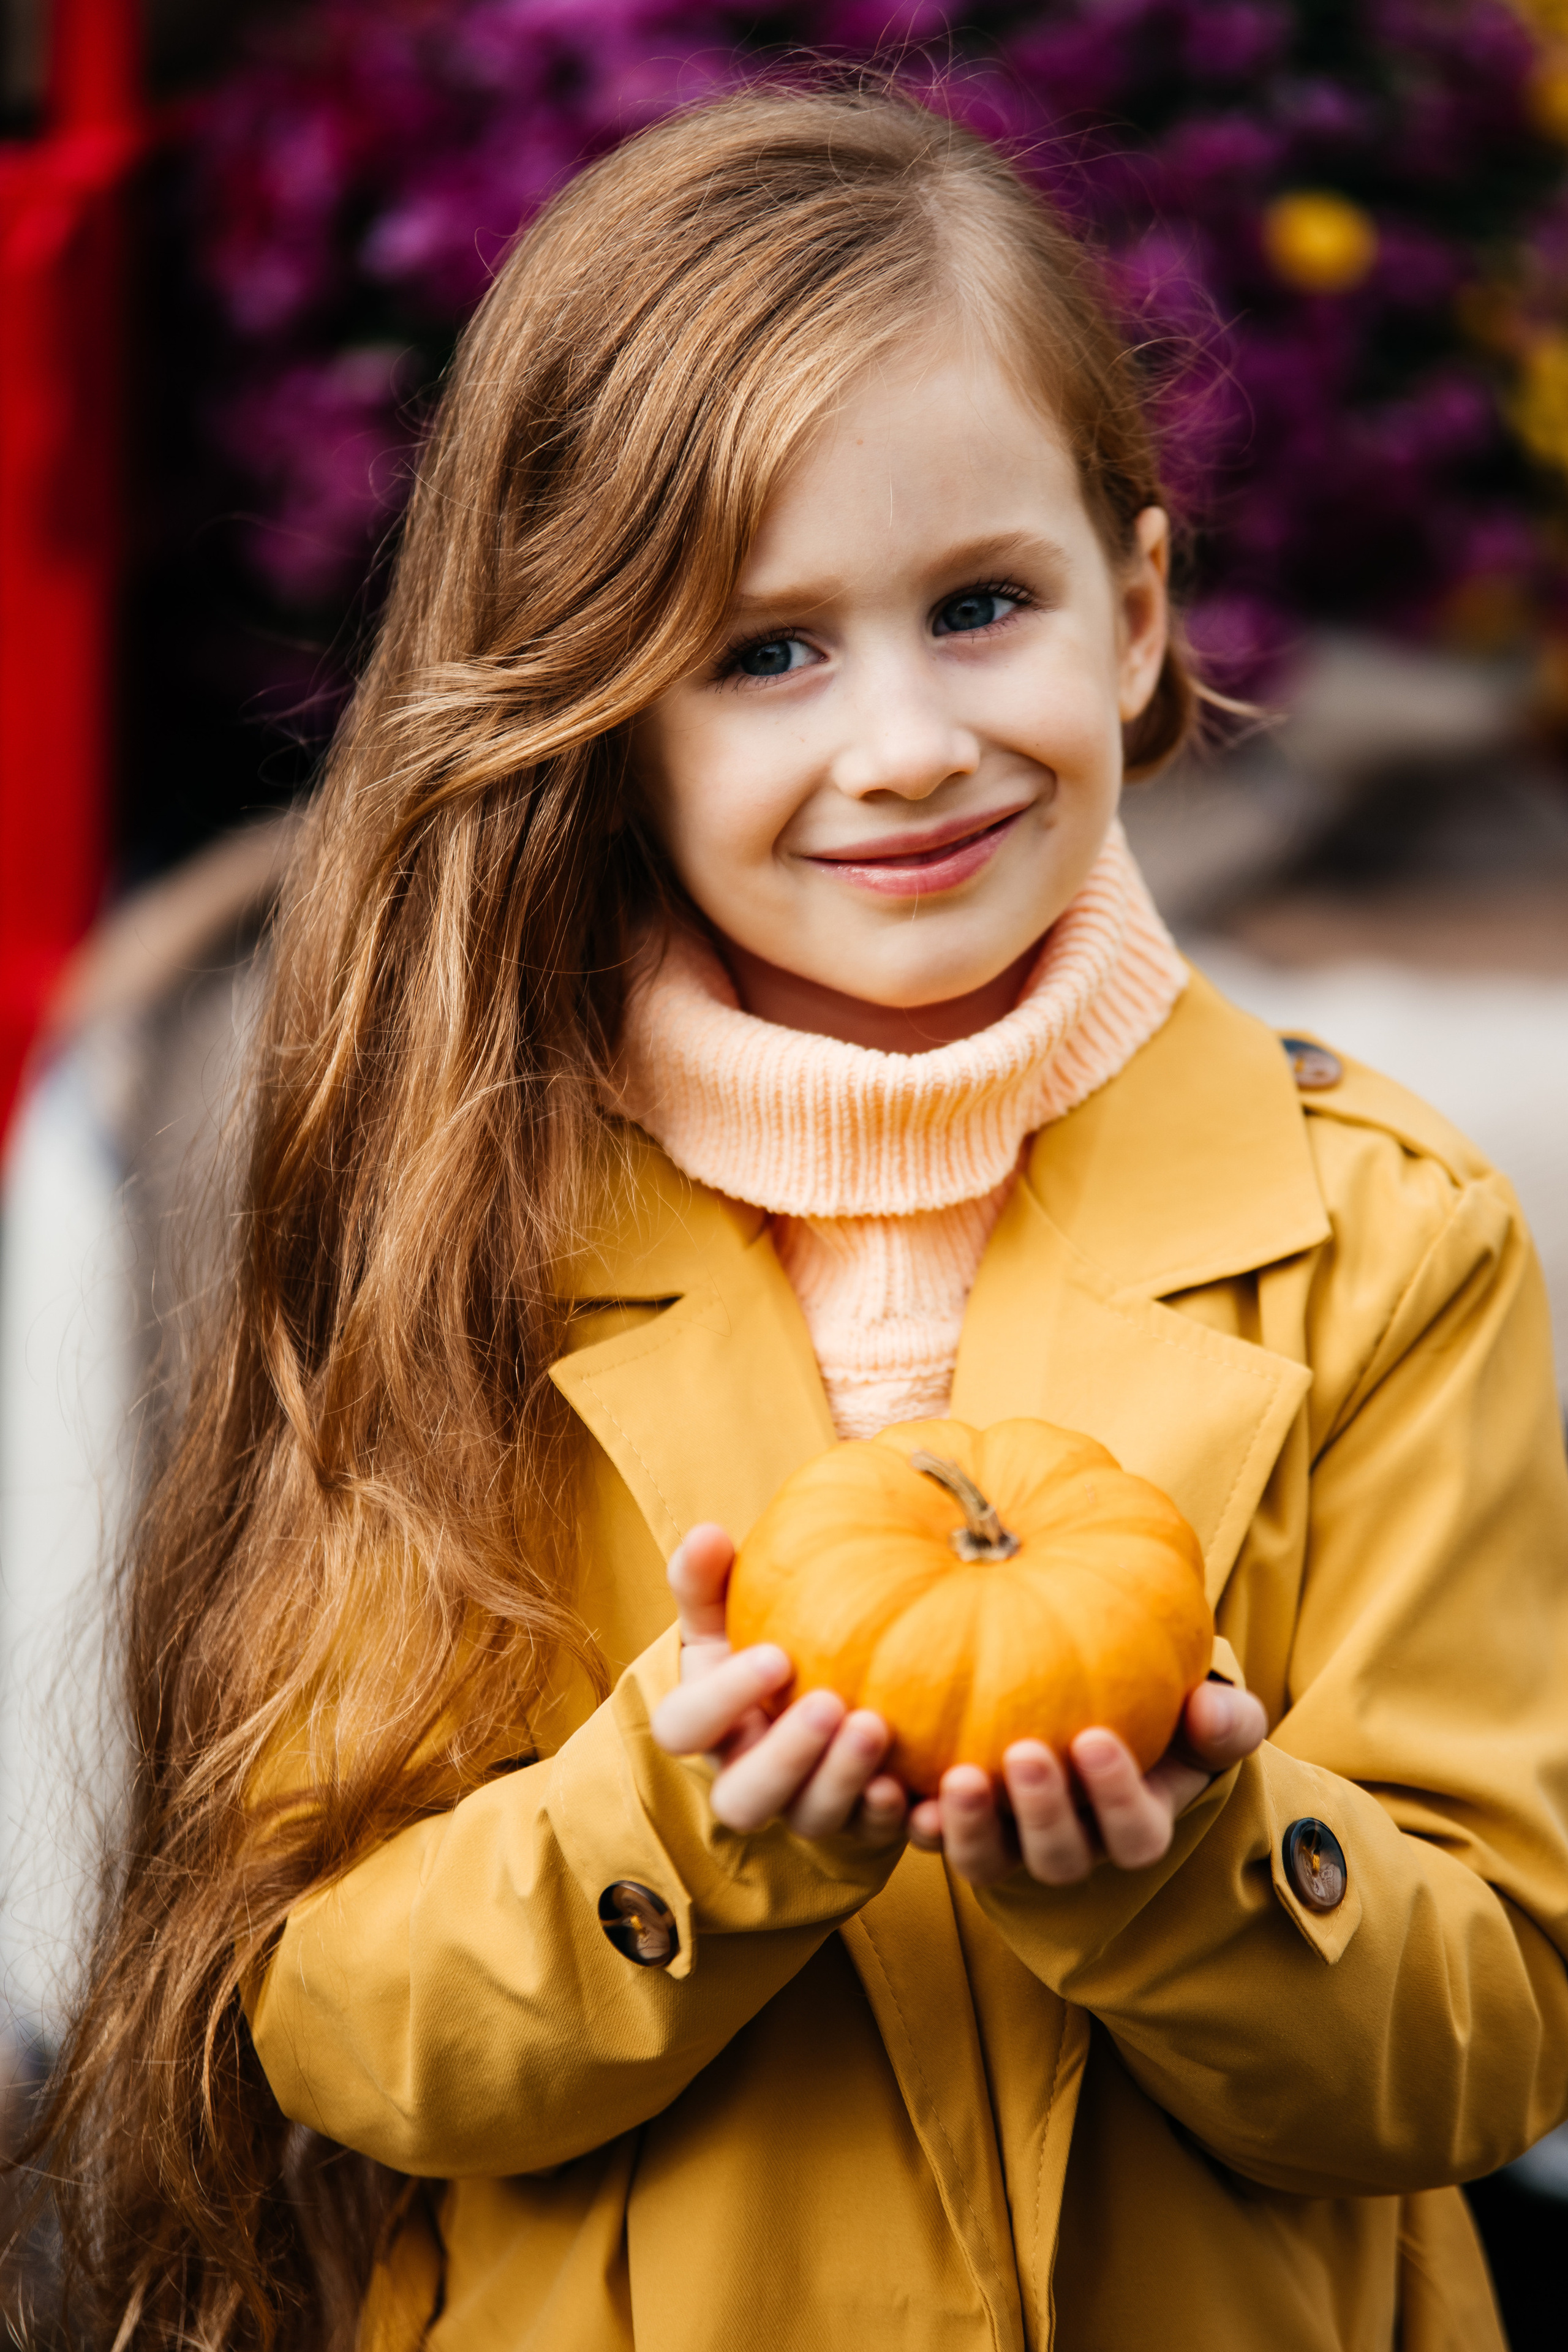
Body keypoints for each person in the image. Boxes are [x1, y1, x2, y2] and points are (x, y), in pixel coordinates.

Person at [23, 79, 1568, 2352]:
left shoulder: (1385, 1237)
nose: (911, 741)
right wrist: (673, 1840)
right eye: (767, 651)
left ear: (1134, 614)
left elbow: (1497, 2030)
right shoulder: (461, 1224)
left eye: (981, 606)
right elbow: (330, 2022)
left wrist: (1203, 1881)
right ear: (604, 711)